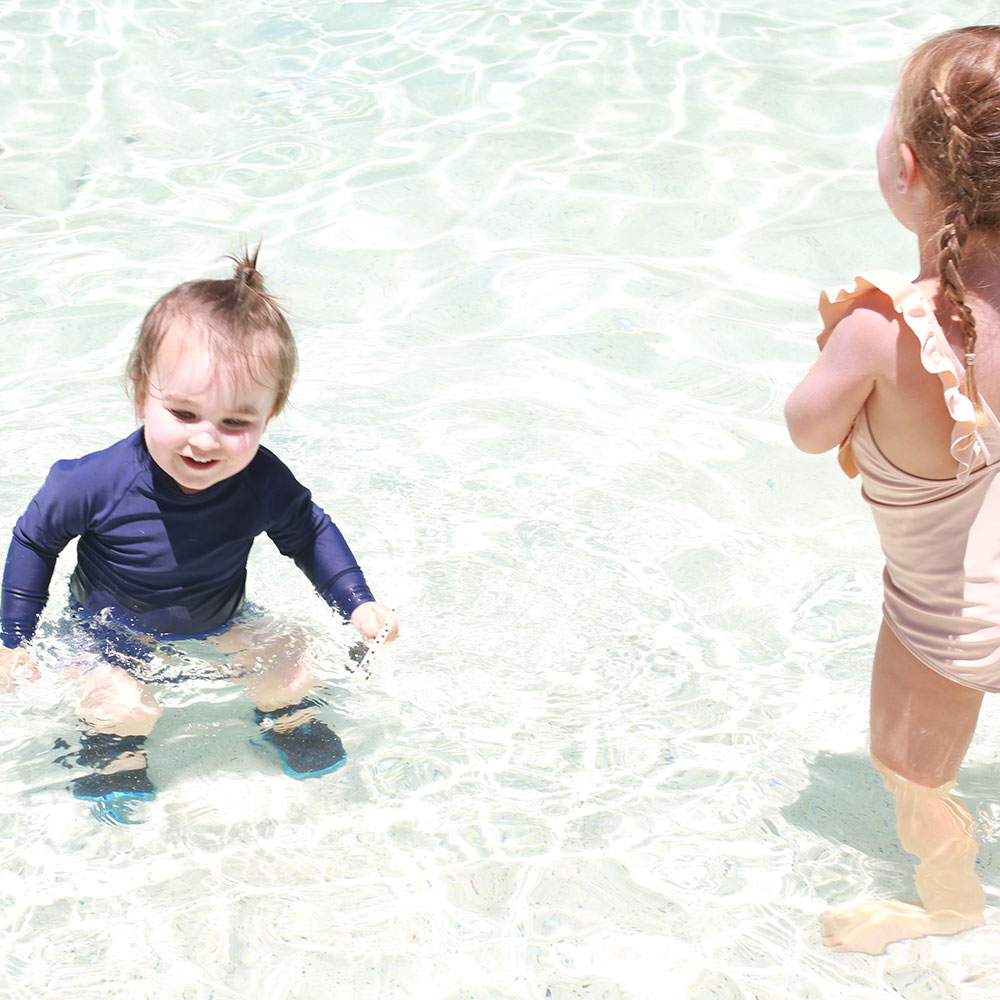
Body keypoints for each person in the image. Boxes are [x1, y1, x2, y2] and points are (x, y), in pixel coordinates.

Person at [0, 246, 398, 806]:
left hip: (222, 618)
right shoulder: (91, 482)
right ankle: (113, 754)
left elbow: (309, 533)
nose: (205, 440)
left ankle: (288, 718)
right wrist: (12, 640)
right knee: (125, 706)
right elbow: (34, 541)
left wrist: (357, 602)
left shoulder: (262, 482)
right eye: (184, 414)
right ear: (142, 392)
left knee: (295, 662)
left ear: (271, 414)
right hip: (106, 633)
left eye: (235, 422)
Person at [784, 26, 1000, 954]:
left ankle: (950, 904)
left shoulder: (885, 329)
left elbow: (806, 428)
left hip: (948, 620)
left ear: (906, 169)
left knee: (909, 771)